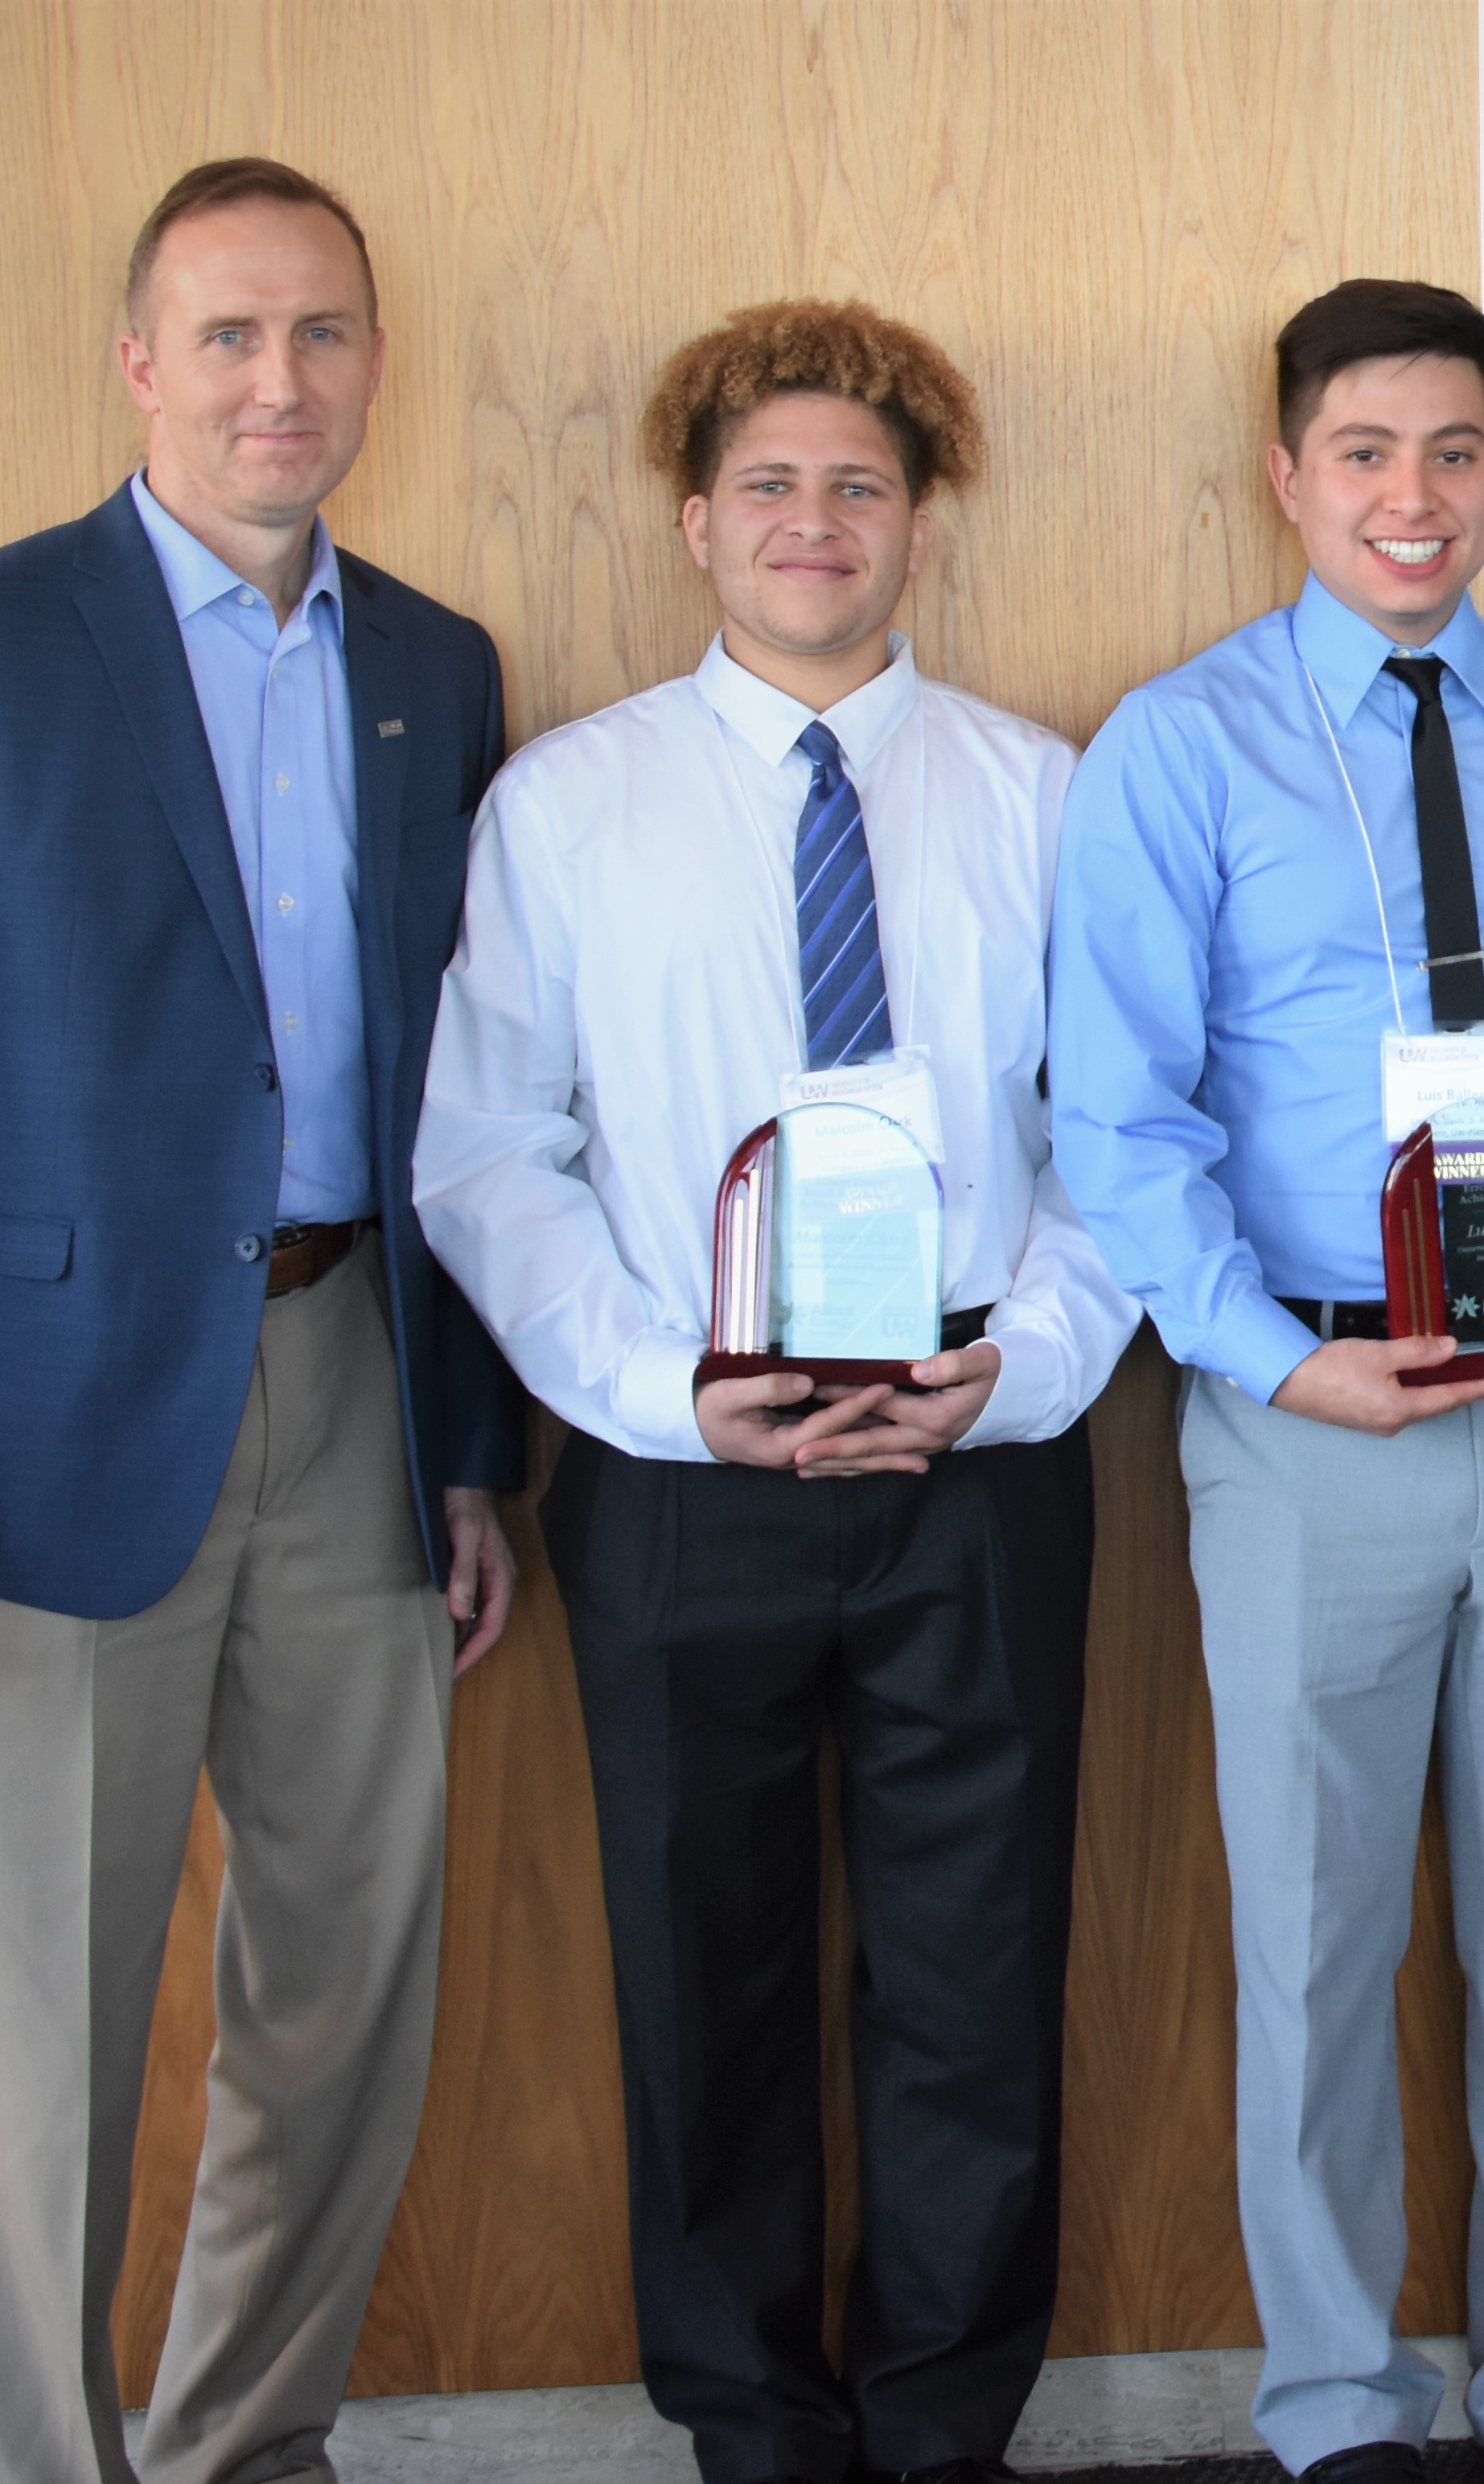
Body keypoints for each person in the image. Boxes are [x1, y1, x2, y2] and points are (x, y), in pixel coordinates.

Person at [0, 158, 519, 2484]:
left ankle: (243, 2451)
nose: (275, 382)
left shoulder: (434, 667)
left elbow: (459, 1097)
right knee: (43, 2047)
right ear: (137, 364)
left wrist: (471, 1445)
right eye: (226, 335)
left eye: (318, 335)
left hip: (359, 1401)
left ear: (374, 366)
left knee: (342, 2010)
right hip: (31, 1431)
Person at [417, 301, 1136, 2482]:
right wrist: (658, 1393)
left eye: (858, 483)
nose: (813, 522)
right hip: (677, 1474)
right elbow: (485, 1149)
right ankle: (754, 2434)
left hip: (975, 1468)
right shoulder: (568, 806)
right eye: (768, 485)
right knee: (698, 1982)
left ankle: (939, 2432)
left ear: (919, 517)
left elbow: (1121, 1142)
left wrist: (1009, 1371)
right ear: (691, 519)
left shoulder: (1043, 794)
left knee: (972, 1984)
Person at [1051, 278, 1484, 2484]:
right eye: (1363, 455)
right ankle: (1338, 2404)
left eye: (1451, 454)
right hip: (1309, 1412)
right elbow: (1114, 1120)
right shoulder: (1181, 743)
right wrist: (1261, 1364)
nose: (1410, 499)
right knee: (1315, 1933)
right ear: (1285, 473)